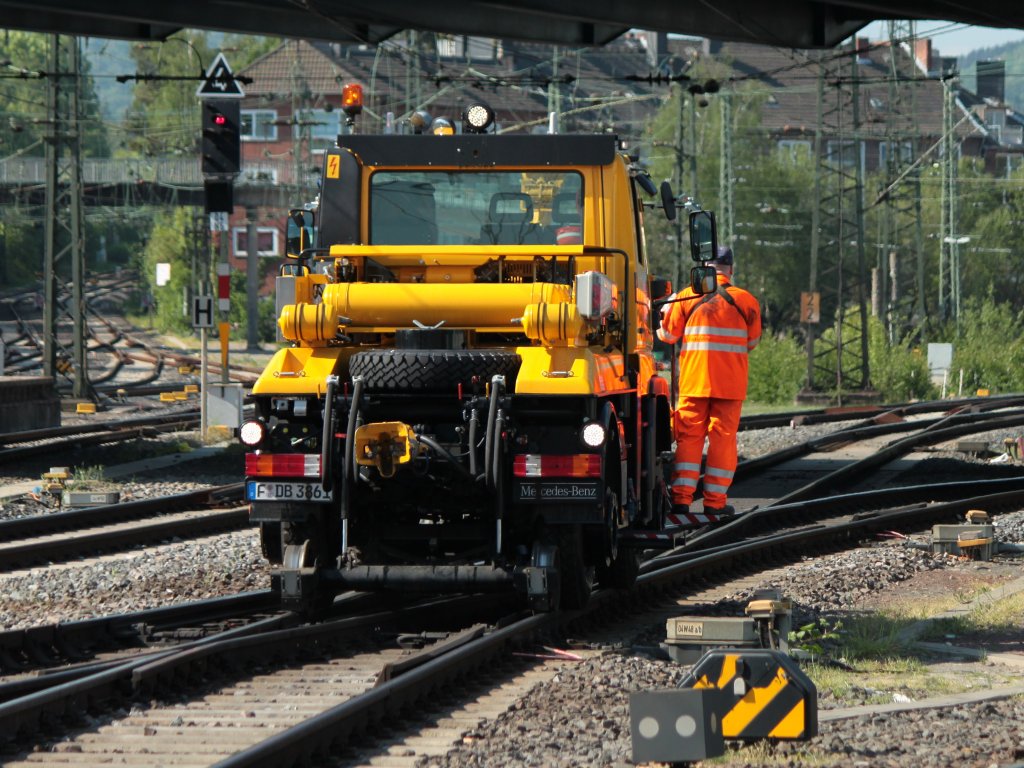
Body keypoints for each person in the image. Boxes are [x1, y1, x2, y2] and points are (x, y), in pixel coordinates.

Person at [656, 246, 761, 517]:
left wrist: (663, 313)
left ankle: (680, 499)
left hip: (694, 382)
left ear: (705, 265)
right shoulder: (746, 301)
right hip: (730, 384)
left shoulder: (687, 296)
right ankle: (714, 503)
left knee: (689, 439)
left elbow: (667, 335)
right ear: (731, 269)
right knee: (723, 440)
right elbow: (752, 342)